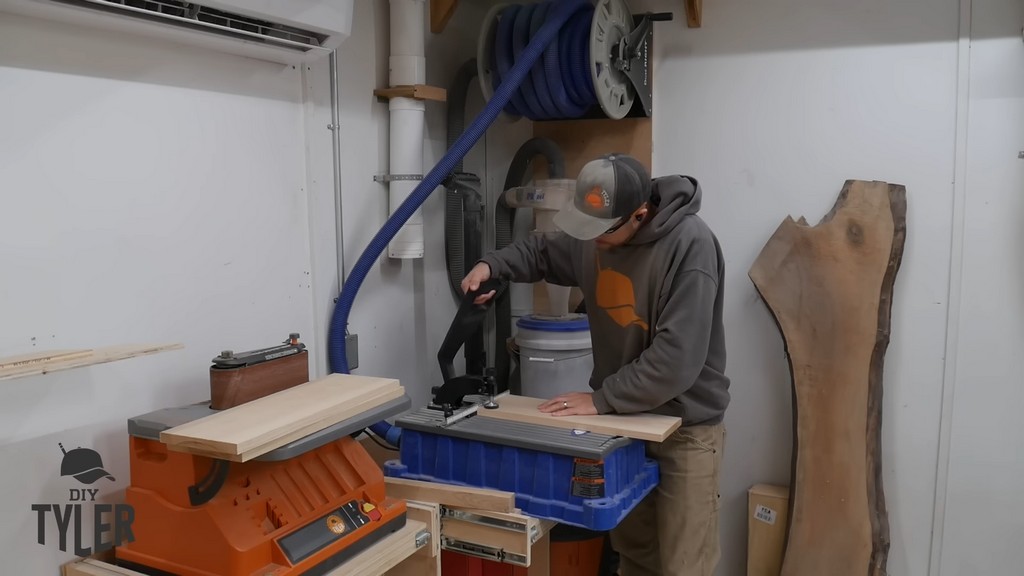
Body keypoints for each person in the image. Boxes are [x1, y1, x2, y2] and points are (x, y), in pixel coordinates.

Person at [461, 153, 730, 576]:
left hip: (685, 428)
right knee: (635, 556)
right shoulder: (597, 234)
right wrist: (492, 265)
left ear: (640, 214)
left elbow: (677, 359)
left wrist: (602, 399)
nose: (592, 241)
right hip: (624, 427)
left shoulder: (690, 245)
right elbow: (543, 251)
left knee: (684, 566)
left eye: (600, 232)